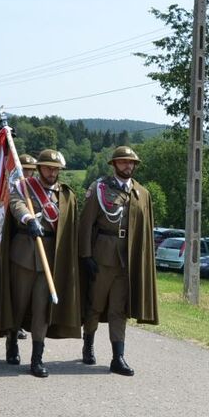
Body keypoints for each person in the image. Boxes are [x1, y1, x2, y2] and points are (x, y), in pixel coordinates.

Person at [0, 149, 84, 377]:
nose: (52, 172)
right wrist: (28, 218)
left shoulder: (66, 195)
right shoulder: (24, 187)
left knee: (42, 309)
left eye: (55, 169)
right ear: (39, 168)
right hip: (24, 255)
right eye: (47, 168)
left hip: (51, 259)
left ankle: (37, 358)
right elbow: (16, 204)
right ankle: (12, 340)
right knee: (18, 305)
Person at [77, 145, 158, 375]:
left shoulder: (141, 193)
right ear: (114, 164)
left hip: (127, 259)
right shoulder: (100, 188)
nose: (127, 165)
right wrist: (86, 255)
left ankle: (118, 357)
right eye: (123, 161)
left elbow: (145, 230)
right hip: (103, 256)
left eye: (131, 162)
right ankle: (88, 344)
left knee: (118, 309)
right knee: (95, 305)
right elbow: (86, 223)